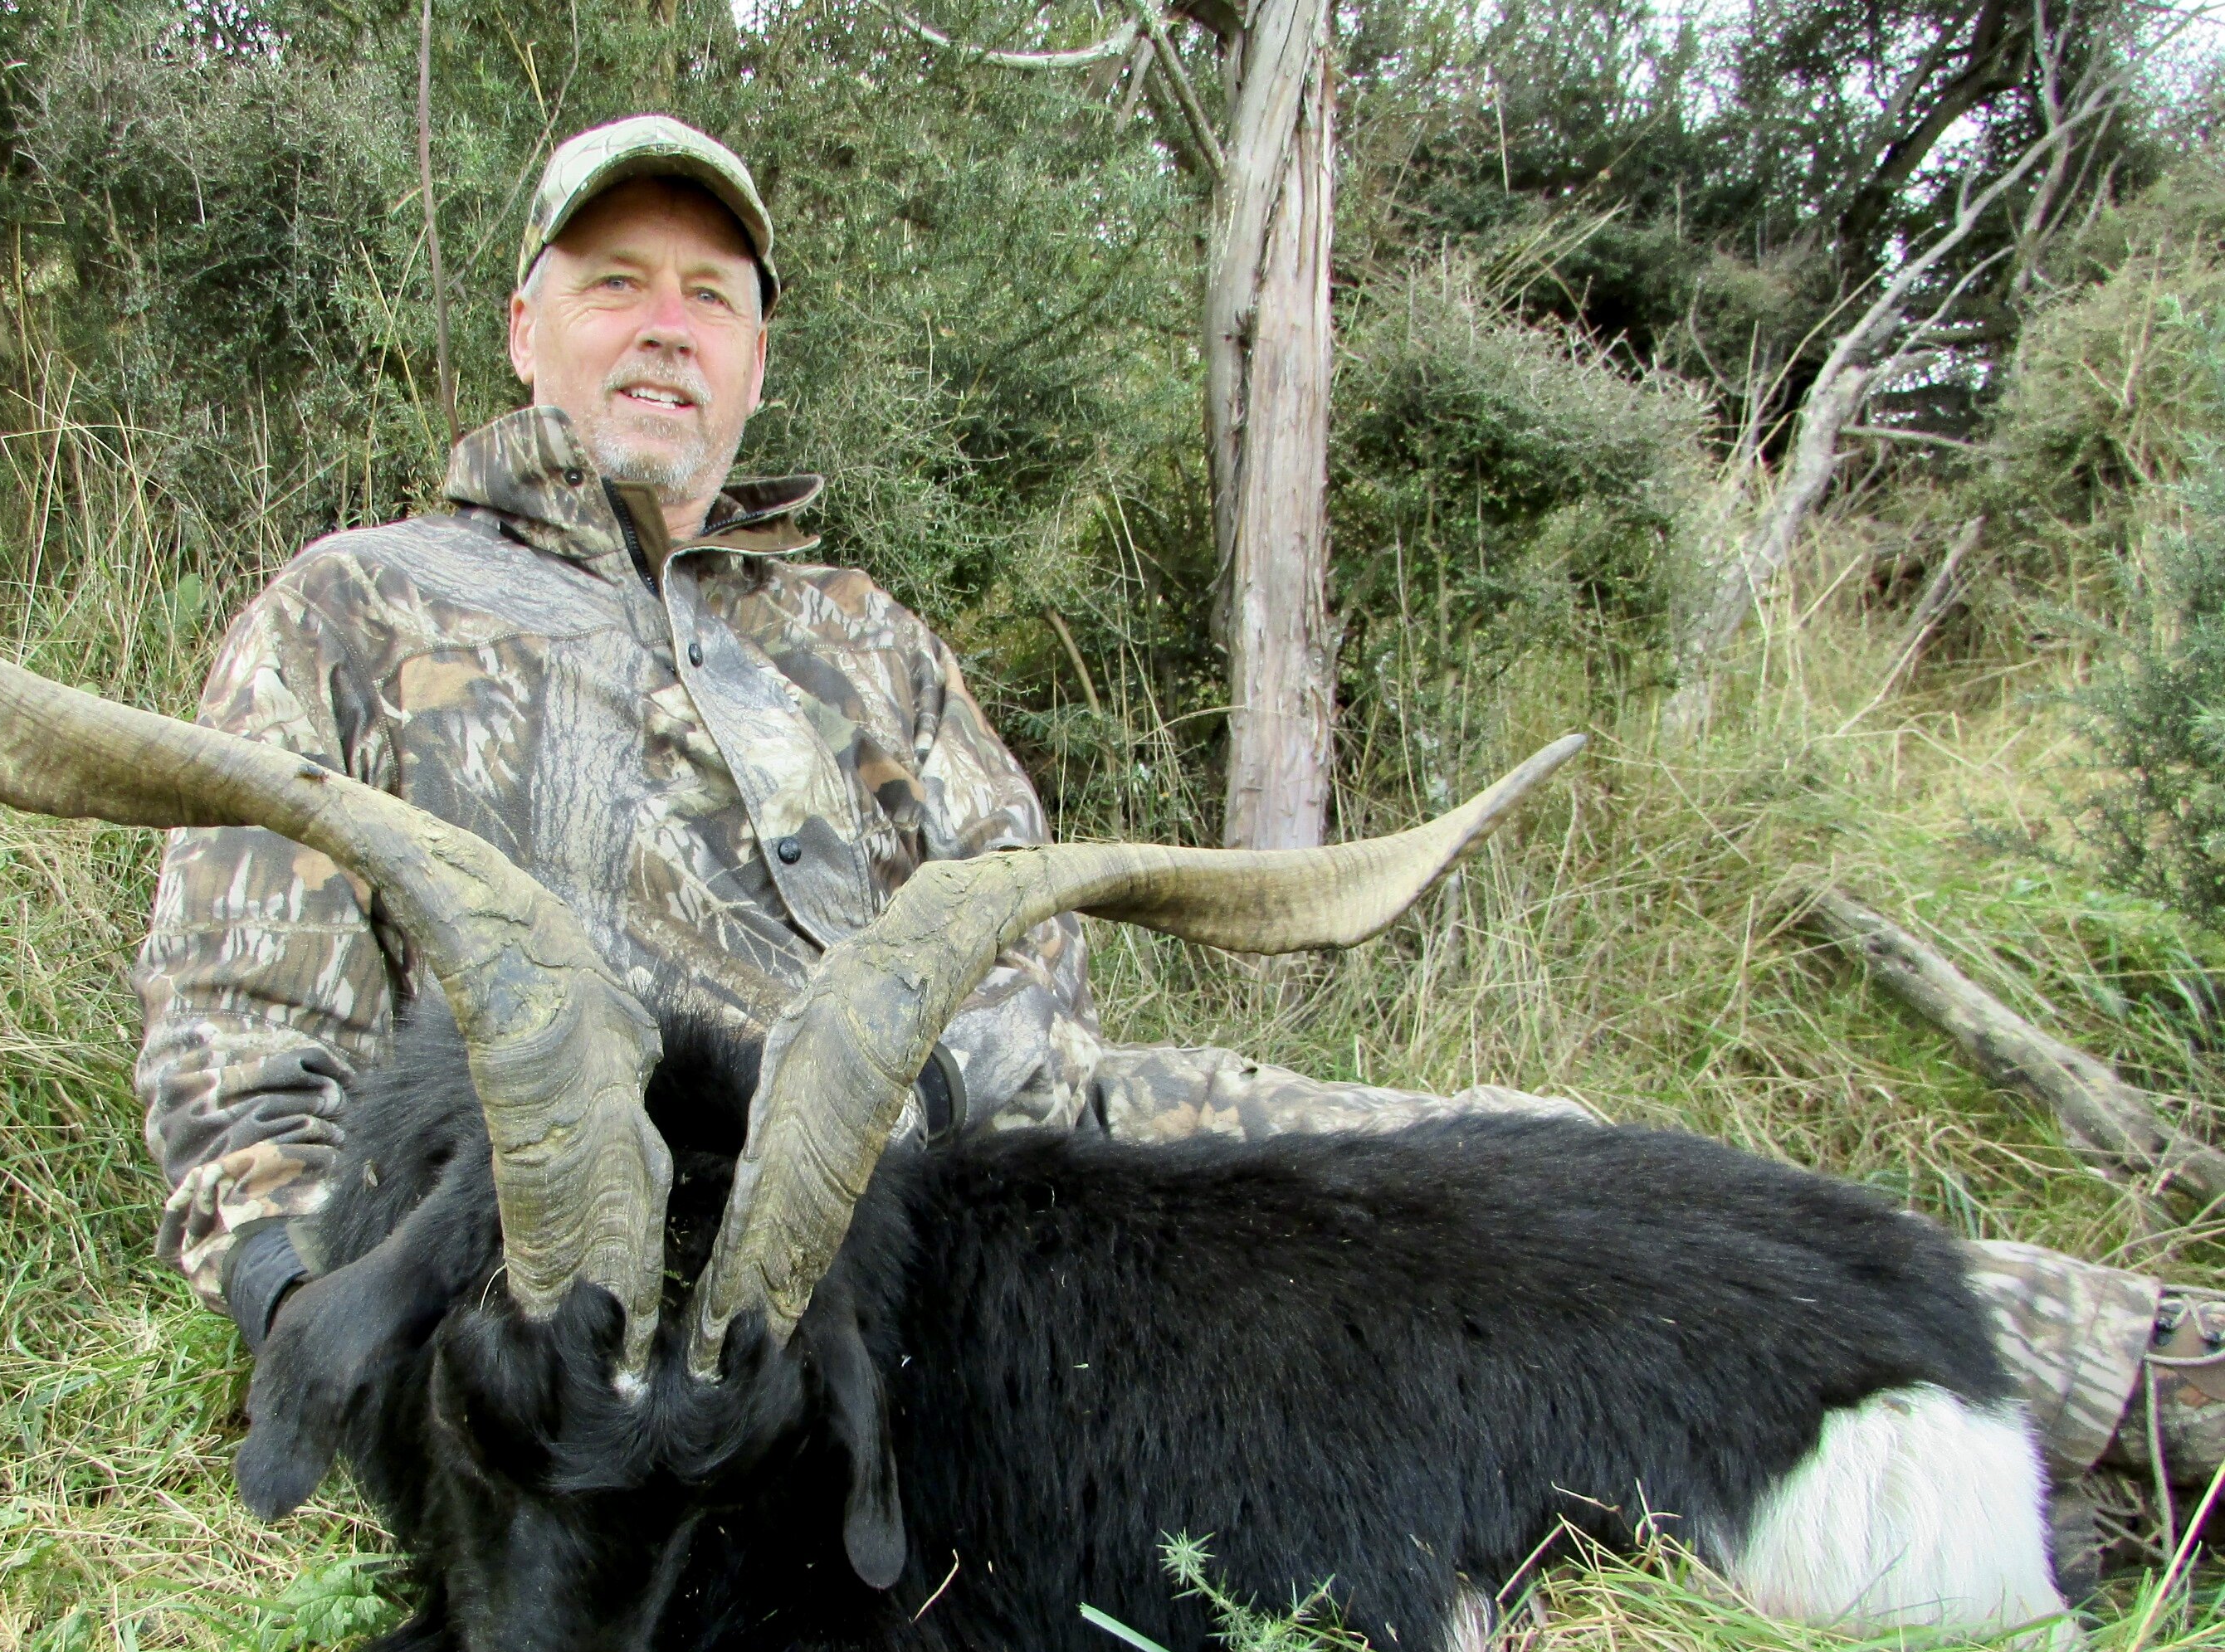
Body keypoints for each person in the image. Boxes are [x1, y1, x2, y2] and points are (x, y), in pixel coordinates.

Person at [131, 115, 2223, 1547]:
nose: (663, 323)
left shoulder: (867, 635)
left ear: (757, 357)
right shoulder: (351, 608)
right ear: (528, 325)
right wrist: (351, 1339)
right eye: (614, 282)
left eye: (711, 295)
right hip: (720, 1255)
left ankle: (2151, 1401)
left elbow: (1042, 1002)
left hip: (1050, 1171)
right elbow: (246, 1067)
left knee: (1556, 1181)